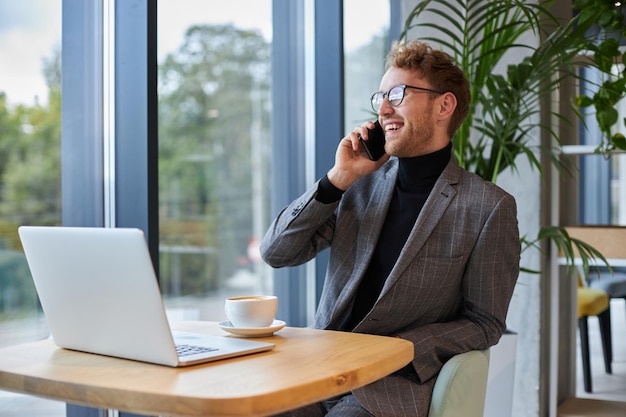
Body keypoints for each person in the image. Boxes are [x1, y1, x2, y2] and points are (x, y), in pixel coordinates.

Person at [260, 39, 520, 417]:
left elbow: (485, 322)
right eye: (380, 96)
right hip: (316, 372)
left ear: (444, 105)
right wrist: (336, 180)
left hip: (389, 388)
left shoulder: (488, 207)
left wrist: (401, 348)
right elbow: (276, 253)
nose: (383, 109)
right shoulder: (356, 186)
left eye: (397, 94)